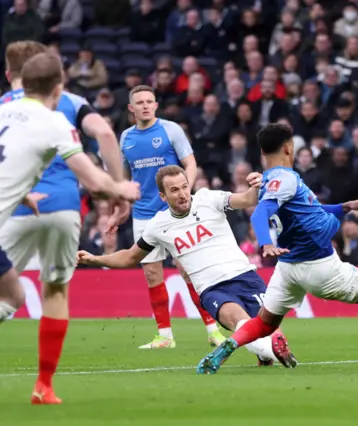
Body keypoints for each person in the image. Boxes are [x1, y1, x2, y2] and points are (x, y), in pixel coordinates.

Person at [195, 123, 358, 375]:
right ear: (288, 148)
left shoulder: (271, 181)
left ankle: (231, 343)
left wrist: (346, 206)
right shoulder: (285, 179)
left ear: (263, 153)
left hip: (287, 269)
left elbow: (309, 210)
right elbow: (259, 215)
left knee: (264, 322)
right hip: (318, 264)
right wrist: (266, 243)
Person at [0, 52, 140, 404]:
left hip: (19, 211)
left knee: (12, 296)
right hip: (61, 208)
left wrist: (23, 192)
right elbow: (91, 176)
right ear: (58, 88)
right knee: (55, 290)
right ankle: (44, 386)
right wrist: (120, 188)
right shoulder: (55, 120)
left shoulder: (3, 111)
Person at [77, 165, 298, 367]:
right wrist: (95, 259)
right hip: (213, 289)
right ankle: (269, 348)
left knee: (264, 328)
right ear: (163, 196)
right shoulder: (158, 226)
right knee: (242, 323)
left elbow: (247, 199)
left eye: (184, 187)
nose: (182, 194)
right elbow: (129, 257)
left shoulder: (208, 199)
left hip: (245, 276)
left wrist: (257, 185)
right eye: (174, 190)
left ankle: (266, 352)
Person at [119, 85, 225, 349]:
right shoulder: (125, 138)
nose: (145, 106)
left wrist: (185, 193)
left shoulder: (170, 130)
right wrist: (119, 206)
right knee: (152, 273)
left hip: (173, 214)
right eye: (139, 102)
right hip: (143, 214)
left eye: (149, 101)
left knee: (188, 270)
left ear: (156, 105)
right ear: (131, 109)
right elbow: (125, 177)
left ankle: (213, 330)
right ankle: (165, 335)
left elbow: (190, 163)